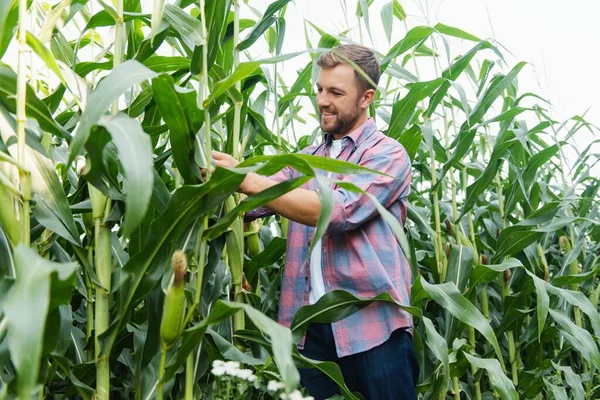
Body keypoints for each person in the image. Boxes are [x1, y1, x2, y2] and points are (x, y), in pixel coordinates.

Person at [212, 44, 418, 400]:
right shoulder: (307, 160)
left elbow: (338, 211)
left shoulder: (387, 154)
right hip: (309, 331)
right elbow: (252, 201)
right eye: (320, 89)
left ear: (367, 97)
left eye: (336, 92)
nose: (322, 100)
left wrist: (246, 179)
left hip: (373, 327)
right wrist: (216, 175)